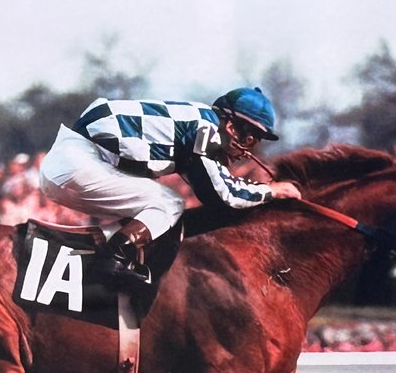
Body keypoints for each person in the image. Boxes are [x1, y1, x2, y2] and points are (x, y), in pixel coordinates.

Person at [38, 85, 302, 291]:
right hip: (79, 162)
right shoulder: (206, 129)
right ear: (231, 127)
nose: (248, 151)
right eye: (250, 139)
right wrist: (273, 191)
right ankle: (111, 259)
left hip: (68, 163)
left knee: (156, 208)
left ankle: (109, 259)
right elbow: (225, 195)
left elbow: (215, 191)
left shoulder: (193, 127)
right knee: (170, 203)